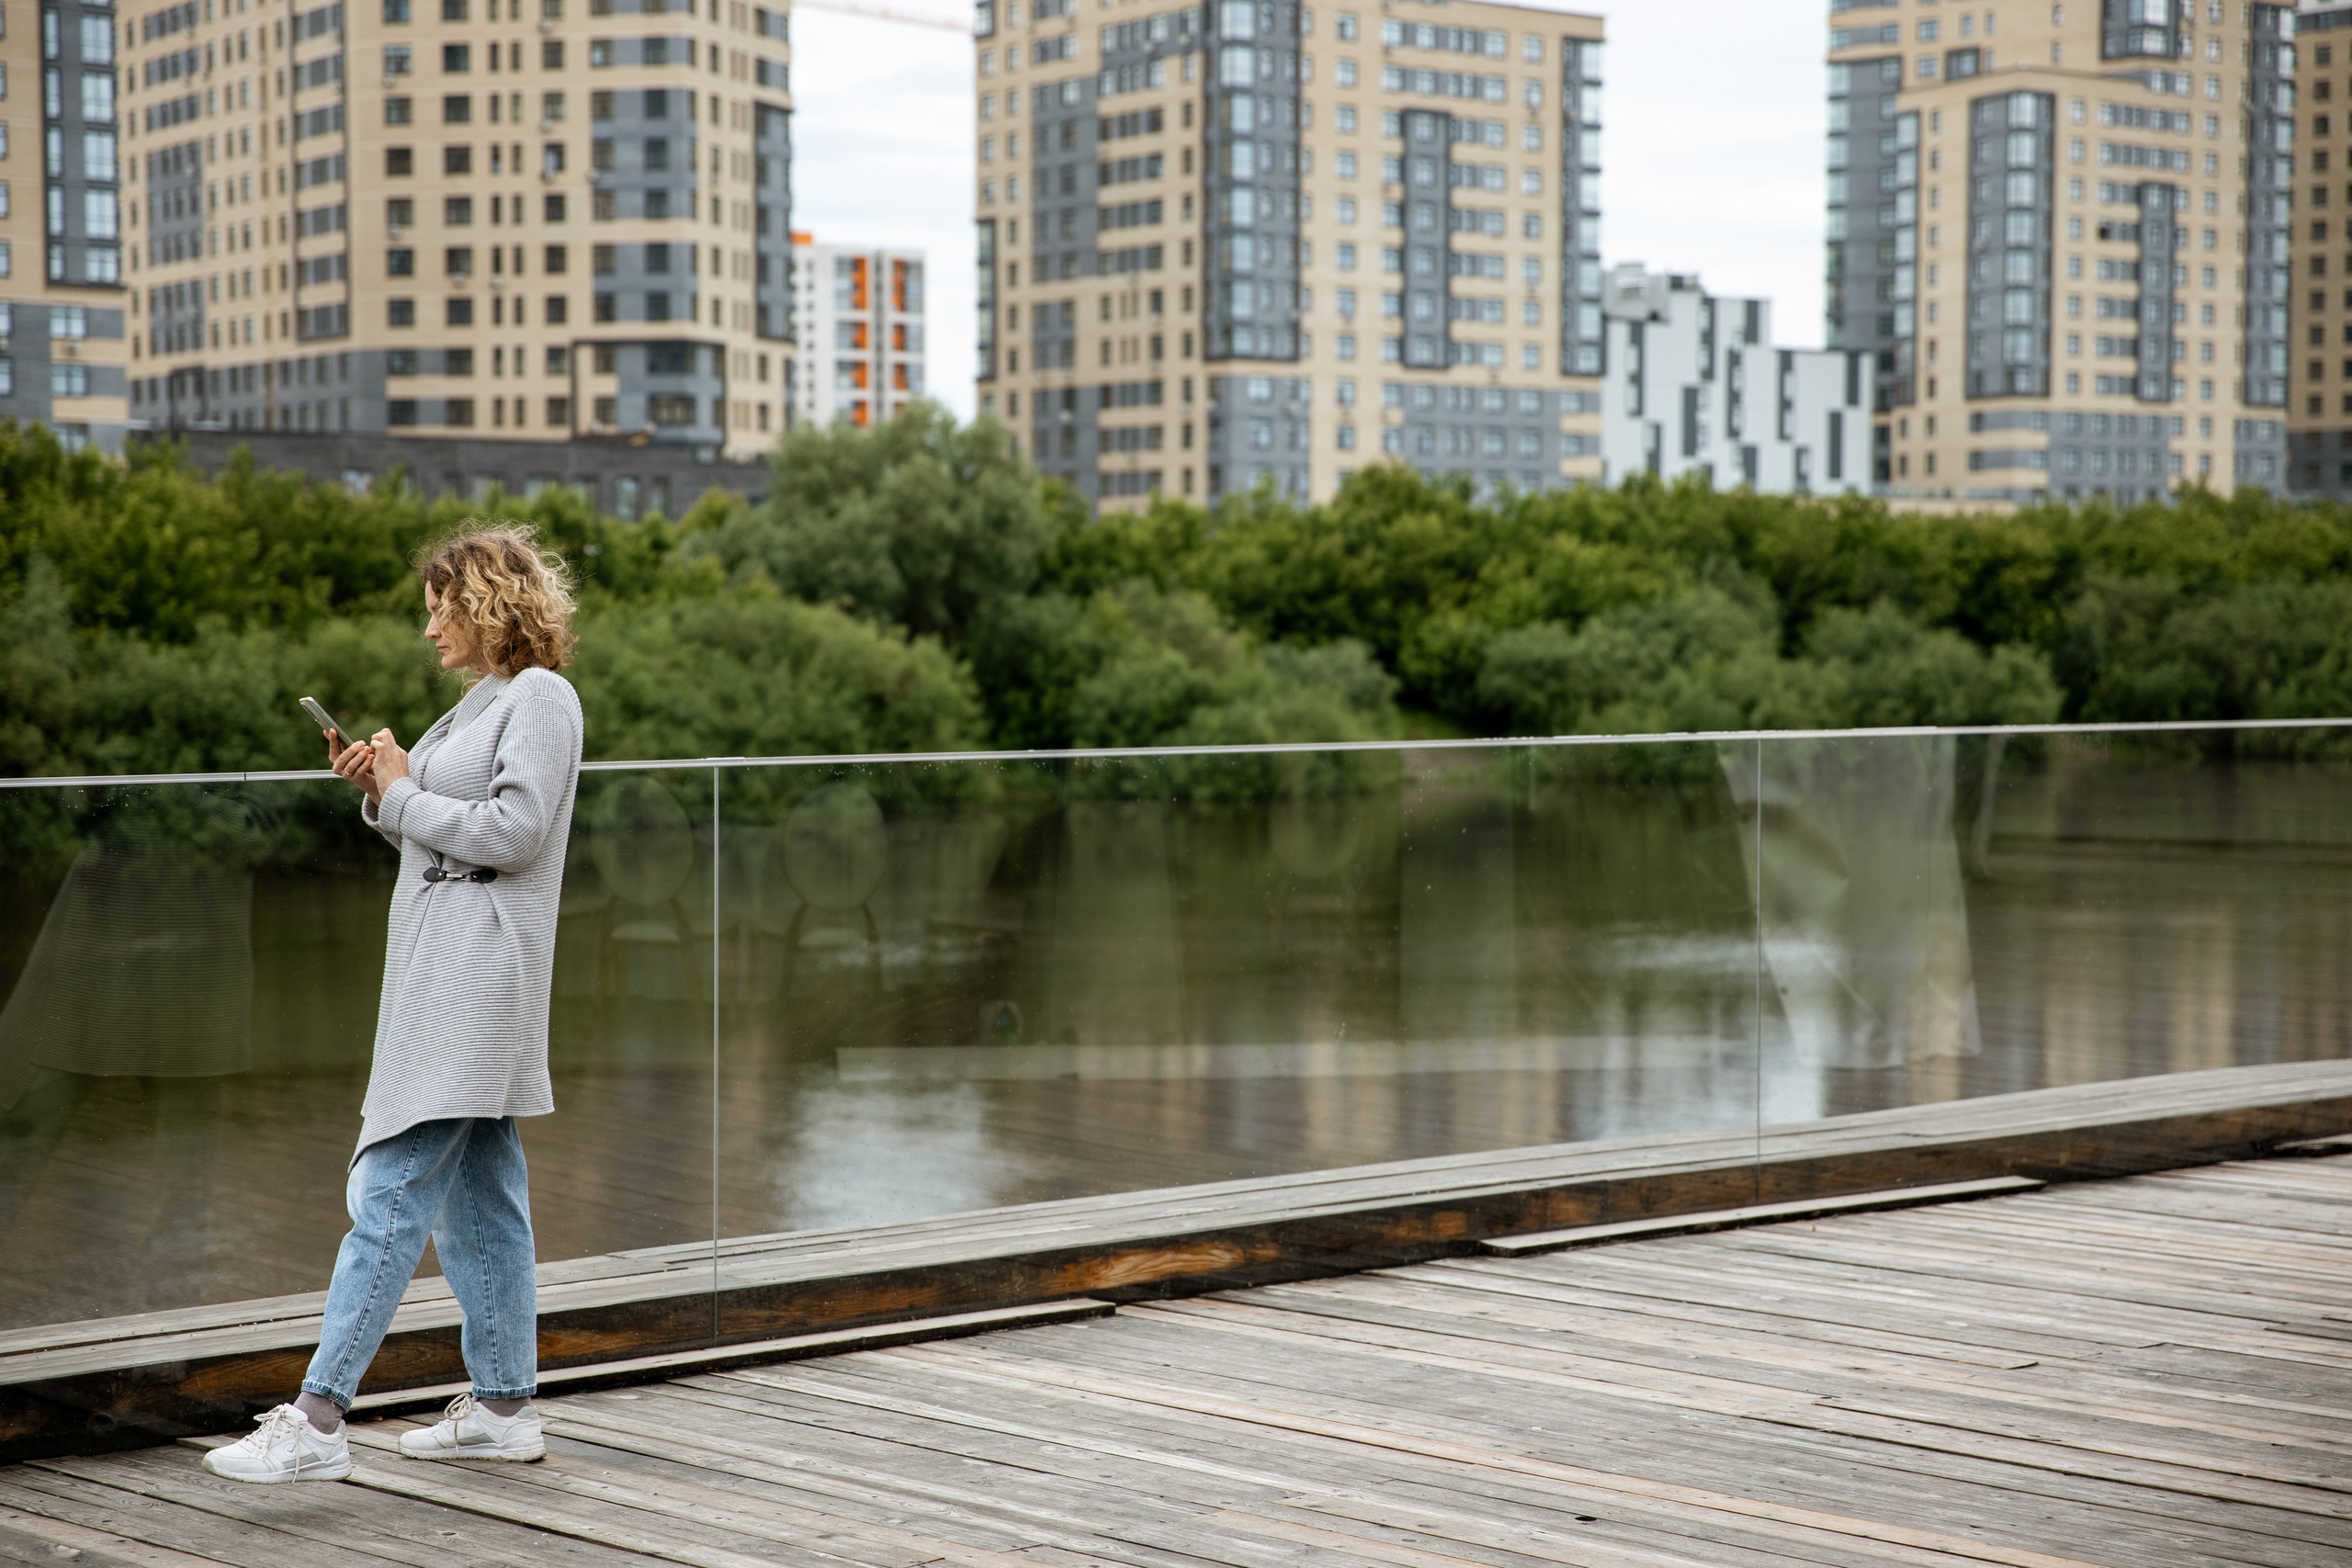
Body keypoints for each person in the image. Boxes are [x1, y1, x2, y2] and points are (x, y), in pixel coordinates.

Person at [204, 523, 585, 1483]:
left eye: (440, 609)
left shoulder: (542, 698)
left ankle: (319, 1418)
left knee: (389, 1192)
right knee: (481, 1202)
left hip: (476, 981)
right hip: (439, 975)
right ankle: (503, 1408)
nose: (428, 630)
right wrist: (381, 791)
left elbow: (515, 833)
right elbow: (441, 833)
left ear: (487, 604)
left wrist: (406, 792)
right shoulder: (477, 705)